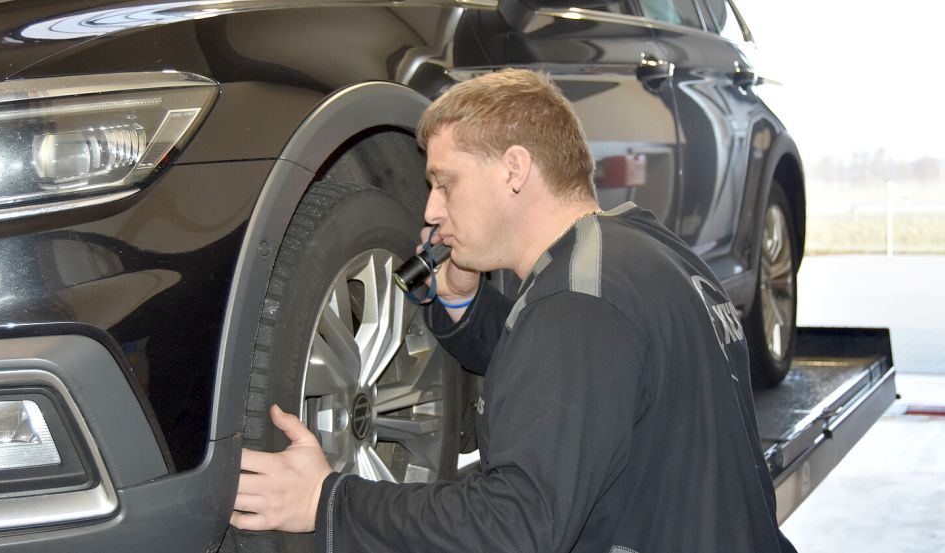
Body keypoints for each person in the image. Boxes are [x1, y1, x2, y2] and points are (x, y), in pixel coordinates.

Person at [231, 68, 798, 553]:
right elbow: (586, 391)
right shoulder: (644, 253)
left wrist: (327, 500)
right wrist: (465, 305)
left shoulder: (576, 305)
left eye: (444, 183)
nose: (431, 209)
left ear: (514, 169)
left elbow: (514, 529)